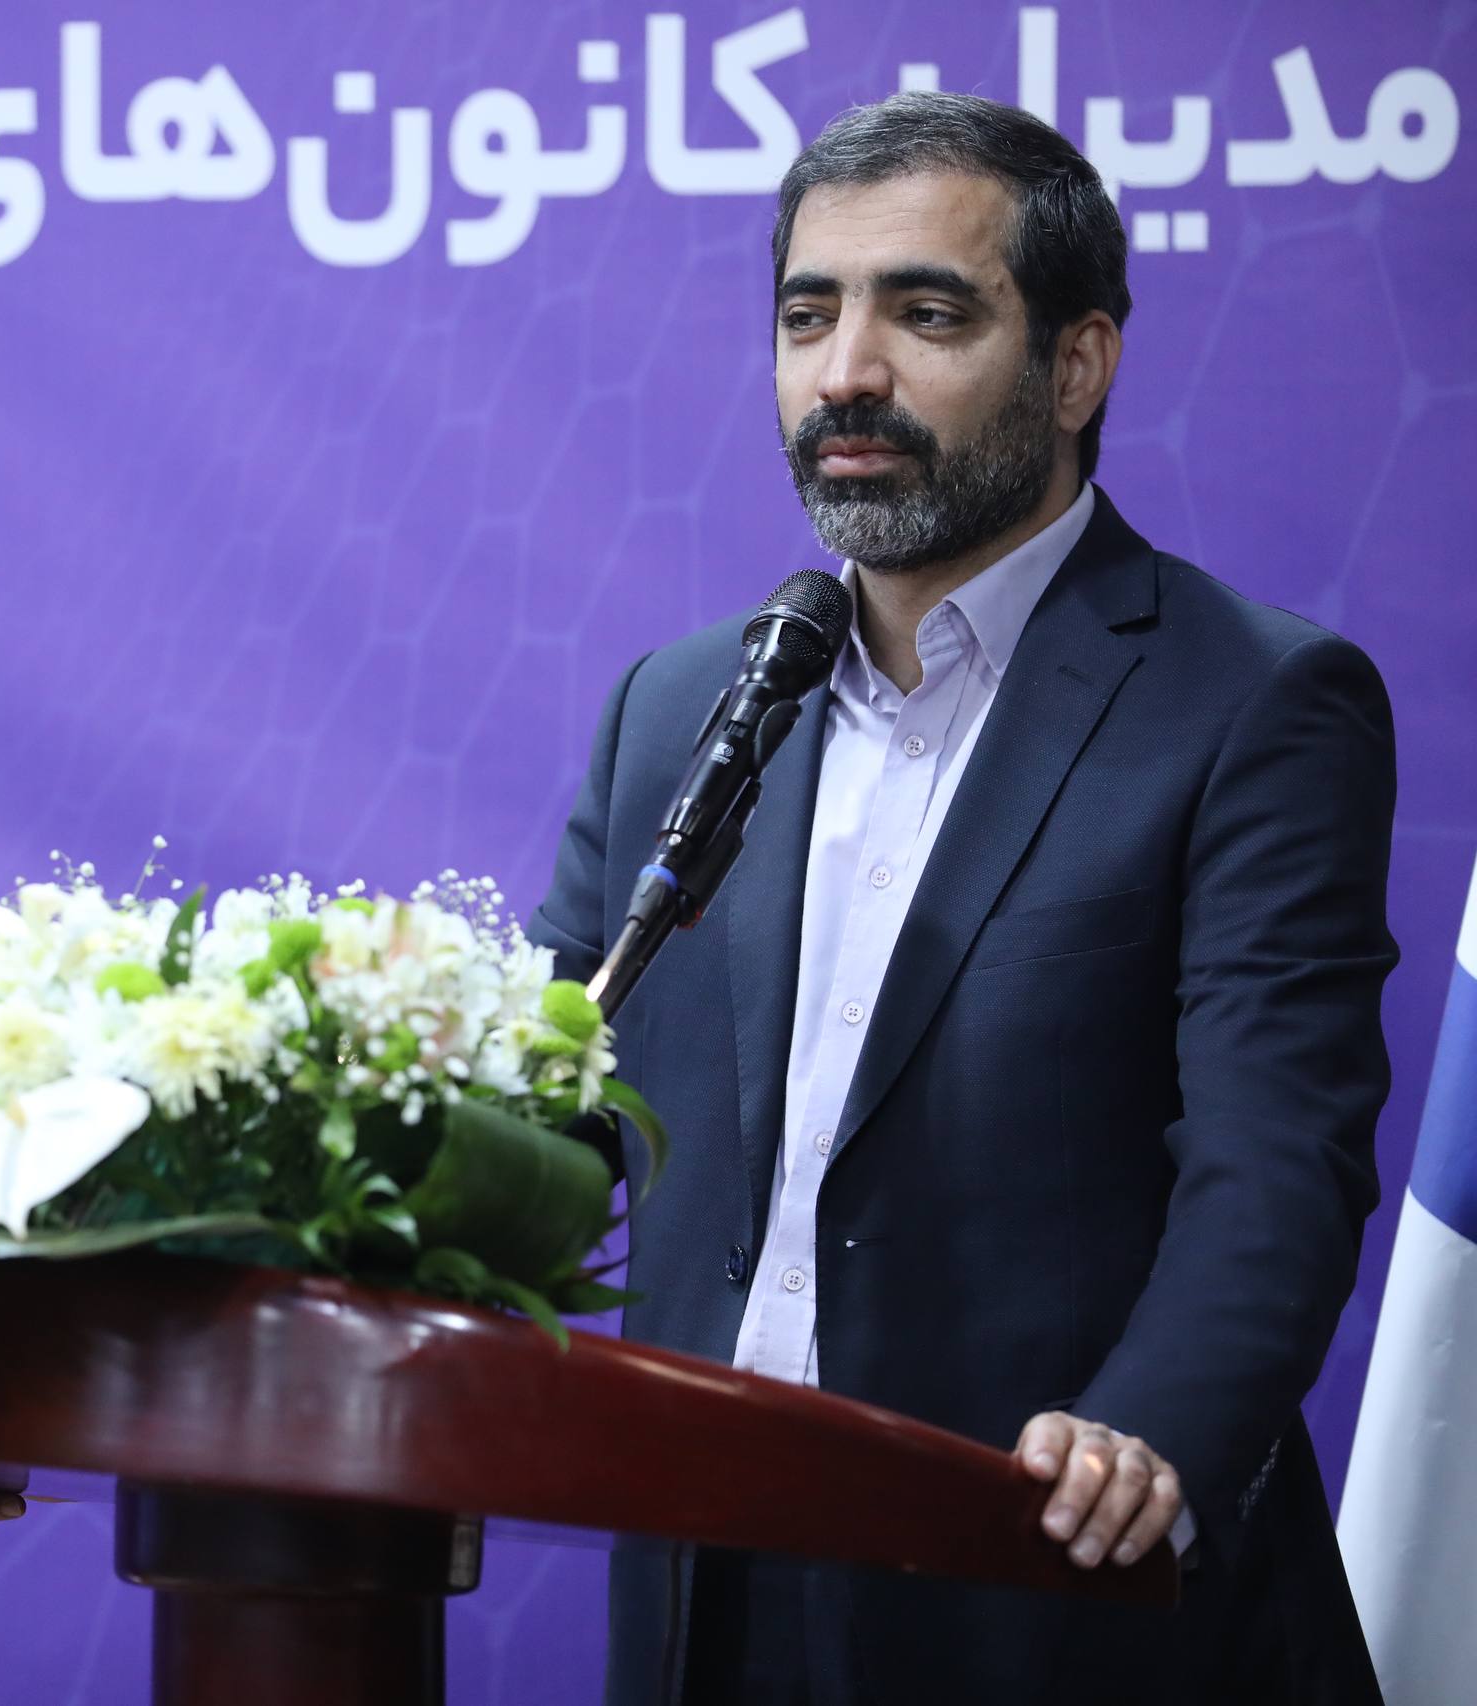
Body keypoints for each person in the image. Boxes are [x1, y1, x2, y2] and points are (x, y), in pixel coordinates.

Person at [522, 93, 1396, 1703]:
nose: (847, 371)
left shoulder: (1252, 702)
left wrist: (1149, 1430)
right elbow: (533, 1124)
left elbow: (1277, 1155)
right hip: (711, 1589)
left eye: (926, 313)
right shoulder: (682, 709)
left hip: (1057, 1585)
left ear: (1077, 365)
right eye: (808, 316)